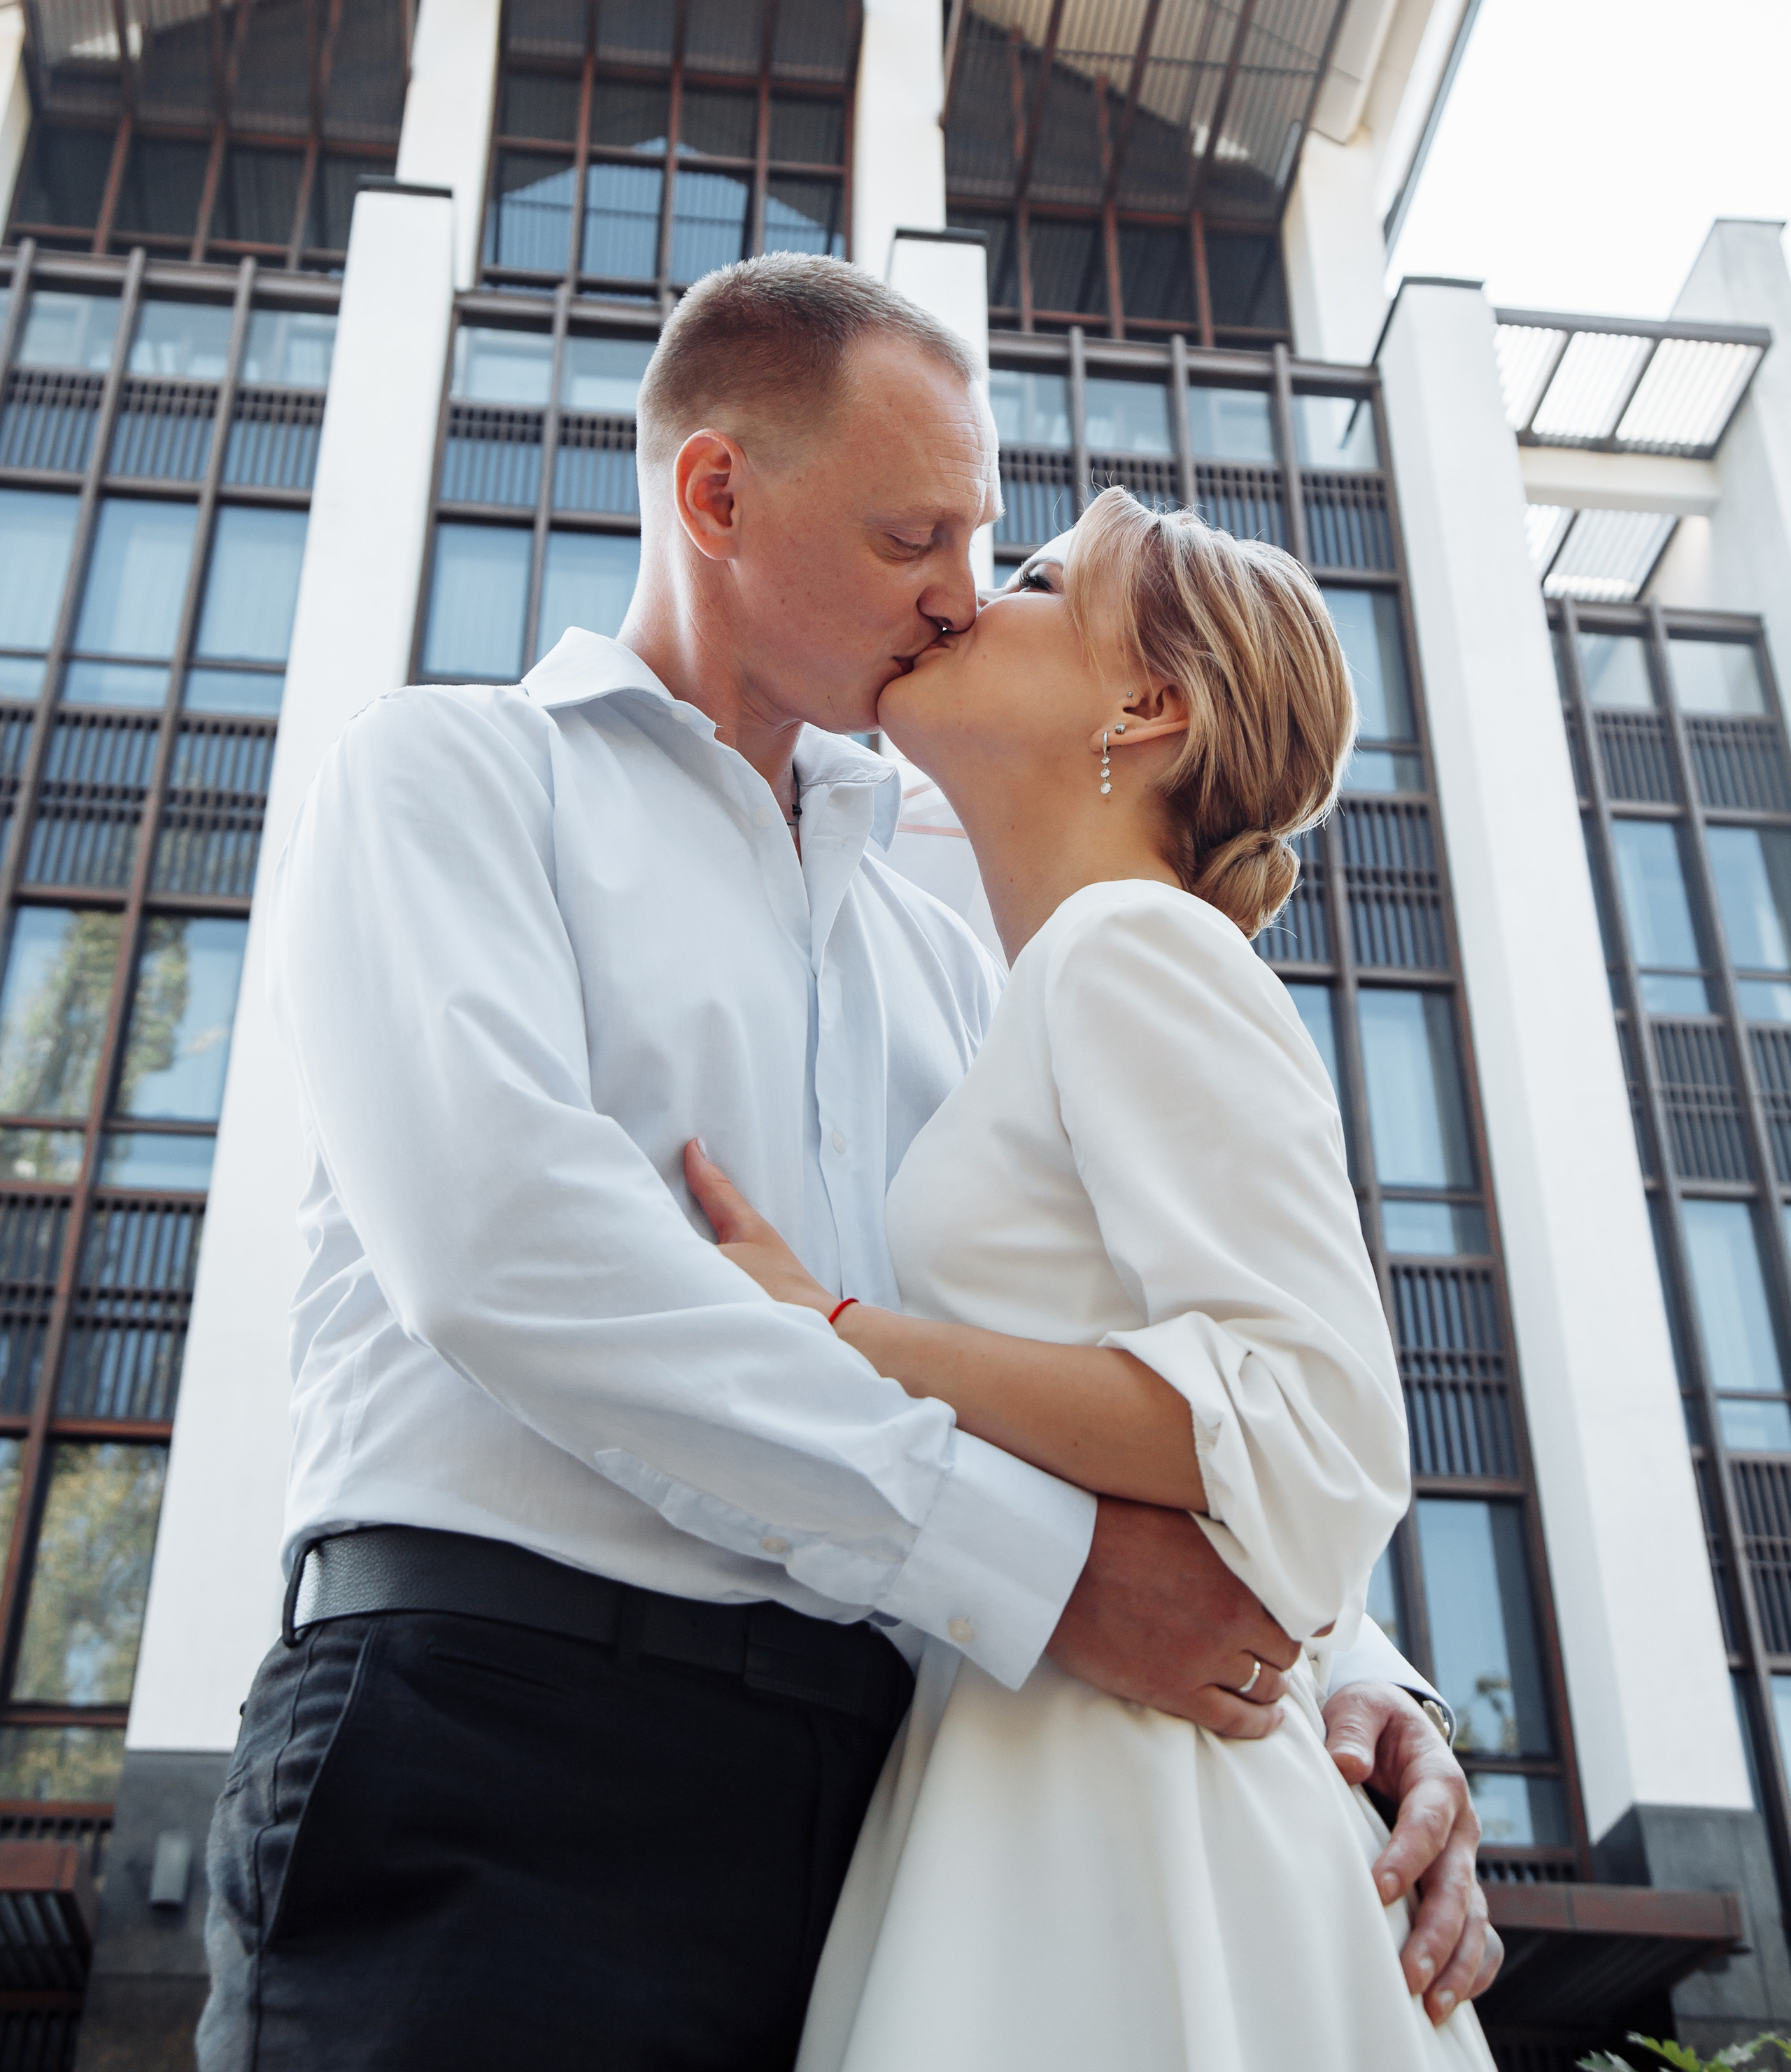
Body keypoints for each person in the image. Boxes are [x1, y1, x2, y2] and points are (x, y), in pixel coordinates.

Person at [199, 257, 1499, 2071]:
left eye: (997, 548)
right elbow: (505, 1246)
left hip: (879, 1805)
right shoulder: (445, 779)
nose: (961, 597)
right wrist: (1041, 1570)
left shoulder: (971, 945)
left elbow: (1154, 1331)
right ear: (720, 496)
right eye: (919, 539)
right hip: (498, 1759)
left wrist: (1354, 1677)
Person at [684, 487, 1494, 2067]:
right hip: (1033, 1735)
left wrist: (840, 1333)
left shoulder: (1132, 946)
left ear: (1148, 703)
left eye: (1044, 577)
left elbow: (1305, 1424)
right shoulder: (1042, 985)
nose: (973, 595)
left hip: (1137, 1791)